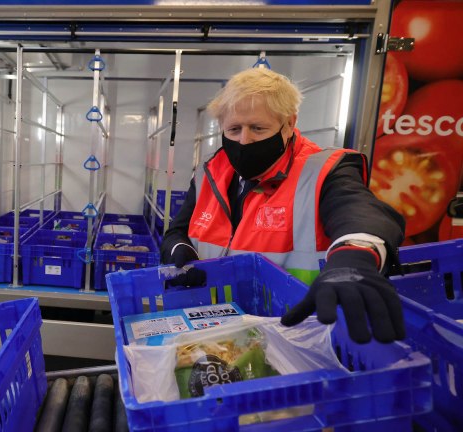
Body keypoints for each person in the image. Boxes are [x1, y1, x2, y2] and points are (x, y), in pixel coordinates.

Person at [161, 67, 406, 345]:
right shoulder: (210, 173)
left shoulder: (323, 171)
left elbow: (358, 210)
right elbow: (177, 231)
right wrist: (179, 249)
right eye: (234, 129)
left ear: (289, 124)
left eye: (257, 128)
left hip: (293, 337)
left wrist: (354, 259)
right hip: (214, 333)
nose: (244, 140)